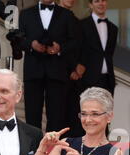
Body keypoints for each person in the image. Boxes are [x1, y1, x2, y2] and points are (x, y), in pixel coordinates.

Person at [18, 0, 77, 132]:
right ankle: (33, 149)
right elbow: (19, 38)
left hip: (57, 71)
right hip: (33, 70)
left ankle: (54, 149)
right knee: (32, 115)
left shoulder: (67, 14)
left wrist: (60, 48)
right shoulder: (25, 14)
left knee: (56, 116)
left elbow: (74, 41)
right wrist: (31, 45)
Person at [79, 0, 118, 96]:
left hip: (108, 79)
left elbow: (110, 53)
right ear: (90, 5)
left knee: (107, 110)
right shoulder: (81, 25)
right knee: (89, 110)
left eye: (103, 1)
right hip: (88, 78)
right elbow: (78, 51)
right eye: (97, 1)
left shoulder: (114, 28)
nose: (101, 4)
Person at [59, 0, 85, 138]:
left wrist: (78, 67)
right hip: (56, 73)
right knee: (58, 115)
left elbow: (79, 46)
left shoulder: (76, 21)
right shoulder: (52, 18)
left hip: (74, 77)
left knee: (74, 113)